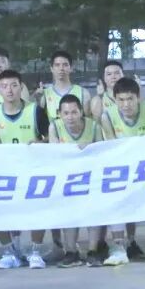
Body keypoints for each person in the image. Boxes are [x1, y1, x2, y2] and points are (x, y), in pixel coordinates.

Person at [0, 70, 51, 269]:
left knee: (38, 210)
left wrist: (40, 143)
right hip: (6, 174)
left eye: (14, 85)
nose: (9, 90)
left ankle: (36, 252)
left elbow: (50, 139)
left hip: (33, 172)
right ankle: (9, 253)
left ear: (21, 87)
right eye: (4, 86)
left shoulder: (35, 111)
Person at [100, 78, 145, 266]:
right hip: (123, 169)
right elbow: (112, 147)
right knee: (116, 203)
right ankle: (119, 249)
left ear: (138, 98)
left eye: (130, 99)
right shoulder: (107, 117)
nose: (126, 104)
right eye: (121, 100)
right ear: (114, 100)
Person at [49, 94, 106, 268]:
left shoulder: (94, 126)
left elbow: (102, 151)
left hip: (91, 176)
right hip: (66, 178)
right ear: (59, 114)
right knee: (69, 215)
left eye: (74, 112)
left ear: (81, 112)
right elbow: (53, 153)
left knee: (93, 213)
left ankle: (93, 251)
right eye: (66, 113)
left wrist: (88, 150)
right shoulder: (54, 127)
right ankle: (71, 252)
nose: (70, 117)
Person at [39, 50, 91, 122]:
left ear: (71, 68)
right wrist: (38, 100)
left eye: (65, 65)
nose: (61, 68)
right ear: (51, 69)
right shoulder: (44, 94)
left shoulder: (83, 93)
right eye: (57, 65)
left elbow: (88, 122)